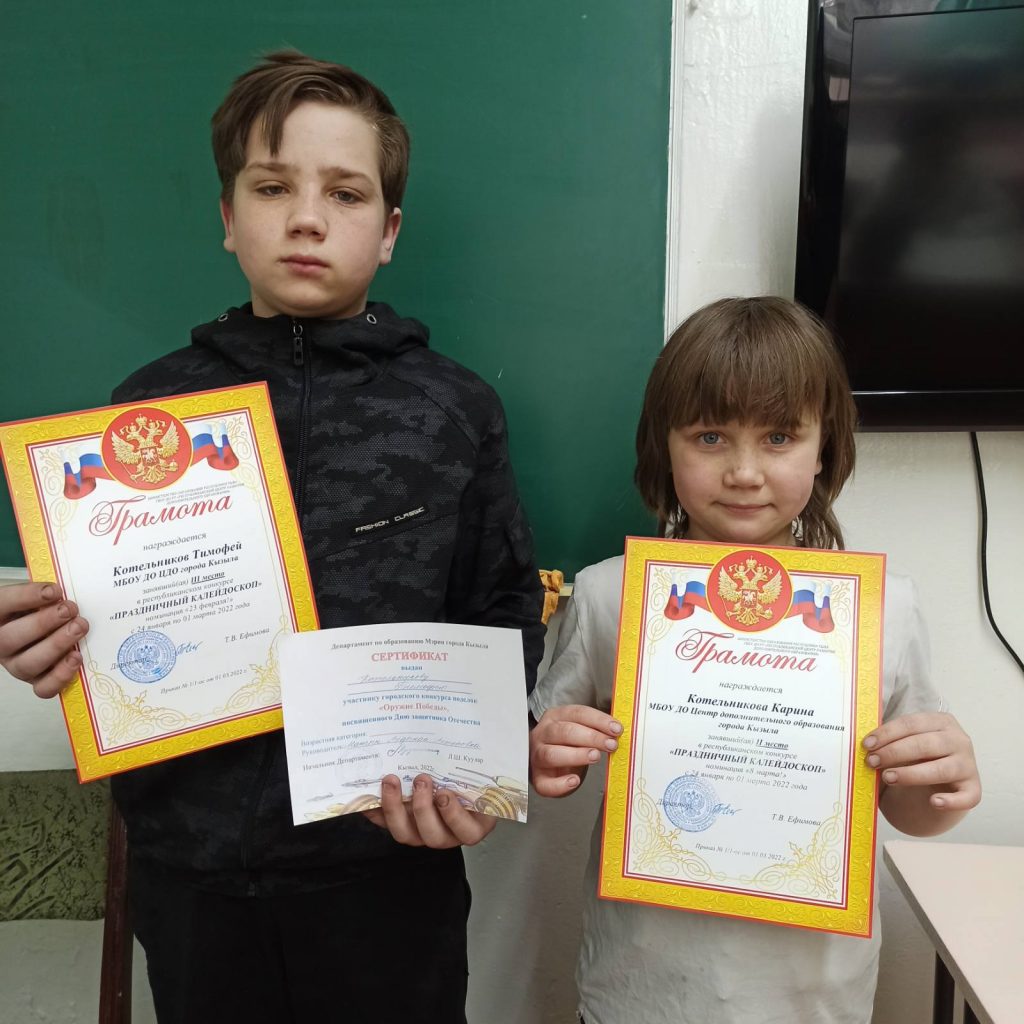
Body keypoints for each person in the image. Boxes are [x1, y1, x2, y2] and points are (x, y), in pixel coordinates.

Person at [0, 51, 544, 1024]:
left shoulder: (453, 411)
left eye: (346, 192)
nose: (306, 218)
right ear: (227, 215)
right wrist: (49, 639)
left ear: (389, 232)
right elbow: (103, 630)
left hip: (386, 874)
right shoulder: (145, 415)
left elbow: (500, 609)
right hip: (191, 874)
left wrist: (477, 772)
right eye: (271, 186)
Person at [528, 296, 981, 1024]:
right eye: (710, 436)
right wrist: (545, 755)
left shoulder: (883, 610)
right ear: (664, 445)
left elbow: (905, 798)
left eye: (778, 437)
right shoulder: (612, 593)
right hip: (640, 992)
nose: (743, 472)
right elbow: (544, 763)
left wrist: (941, 789)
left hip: (814, 997)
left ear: (823, 448)